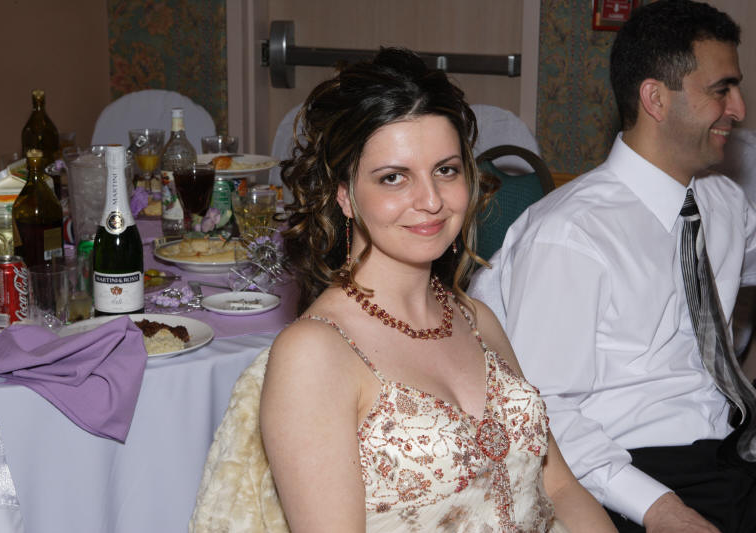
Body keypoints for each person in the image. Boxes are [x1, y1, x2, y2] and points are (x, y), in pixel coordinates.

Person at [259, 47, 617, 532]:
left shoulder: (475, 318)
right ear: (344, 195)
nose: (431, 201)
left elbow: (560, 488)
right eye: (393, 178)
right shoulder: (315, 352)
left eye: (446, 170)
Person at [469, 1, 756, 532]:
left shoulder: (723, 202)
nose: (738, 109)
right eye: (722, 90)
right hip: (621, 469)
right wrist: (660, 509)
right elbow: (544, 408)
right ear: (656, 98)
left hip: (728, 444)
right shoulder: (571, 235)